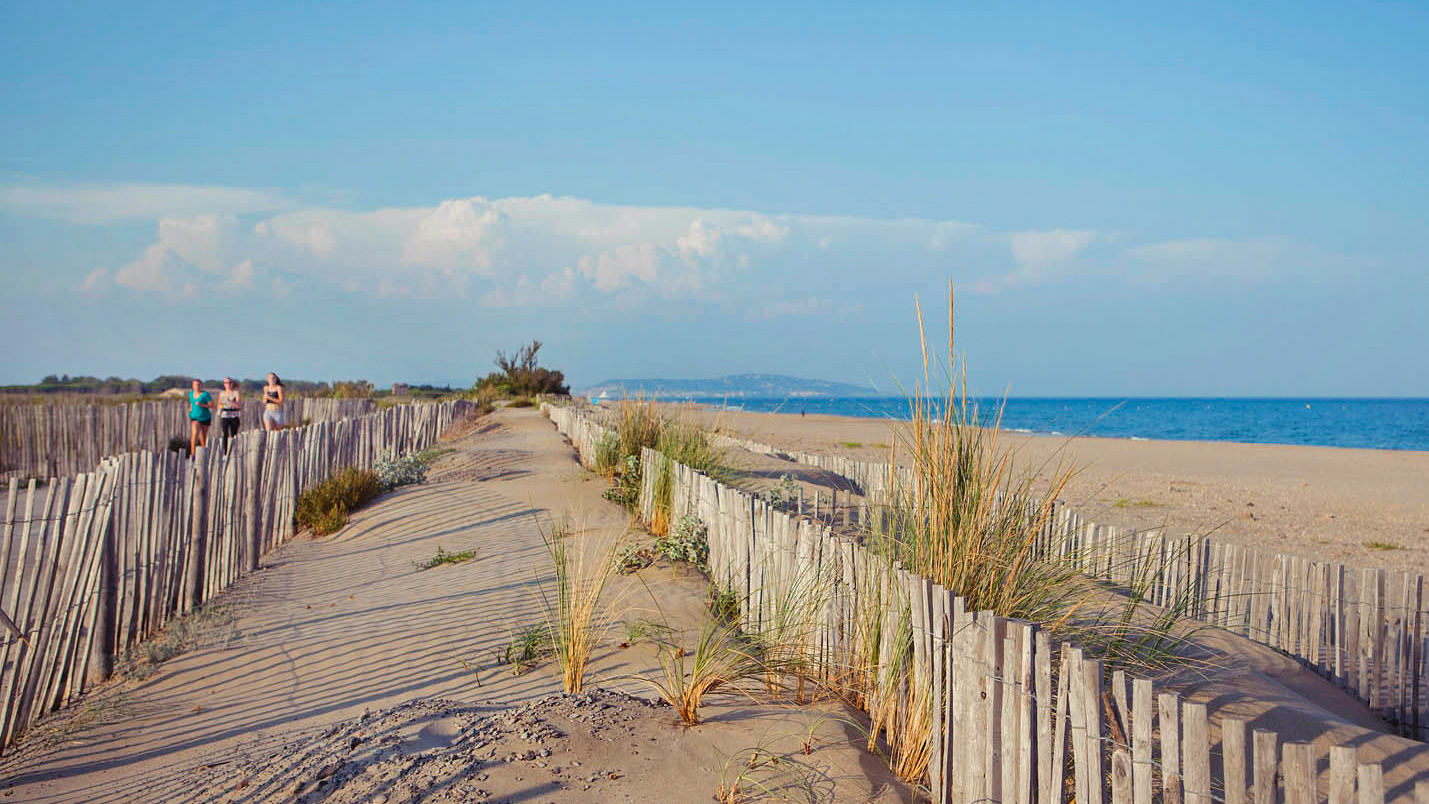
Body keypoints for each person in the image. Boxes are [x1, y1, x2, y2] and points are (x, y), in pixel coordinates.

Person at [188, 378, 214, 454]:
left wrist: (202, 405)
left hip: (205, 417)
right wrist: (190, 408)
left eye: (198, 385)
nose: (197, 386)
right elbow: (191, 403)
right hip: (195, 417)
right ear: (192, 386)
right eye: (195, 385)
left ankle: (204, 453)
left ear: (201, 385)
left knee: (203, 437)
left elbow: (211, 405)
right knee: (194, 434)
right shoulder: (191, 394)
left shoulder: (205, 394)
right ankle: (192, 454)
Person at [218, 377, 242, 451]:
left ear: (232, 384)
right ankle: (225, 451)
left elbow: (238, 405)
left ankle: (233, 450)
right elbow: (219, 404)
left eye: (229, 382)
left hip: (234, 415)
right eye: (226, 383)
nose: (228, 384)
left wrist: (230, 402)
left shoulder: (236, 393)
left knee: (234, 434)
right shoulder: (222, 393)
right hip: (224, 415)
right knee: (225, 433)